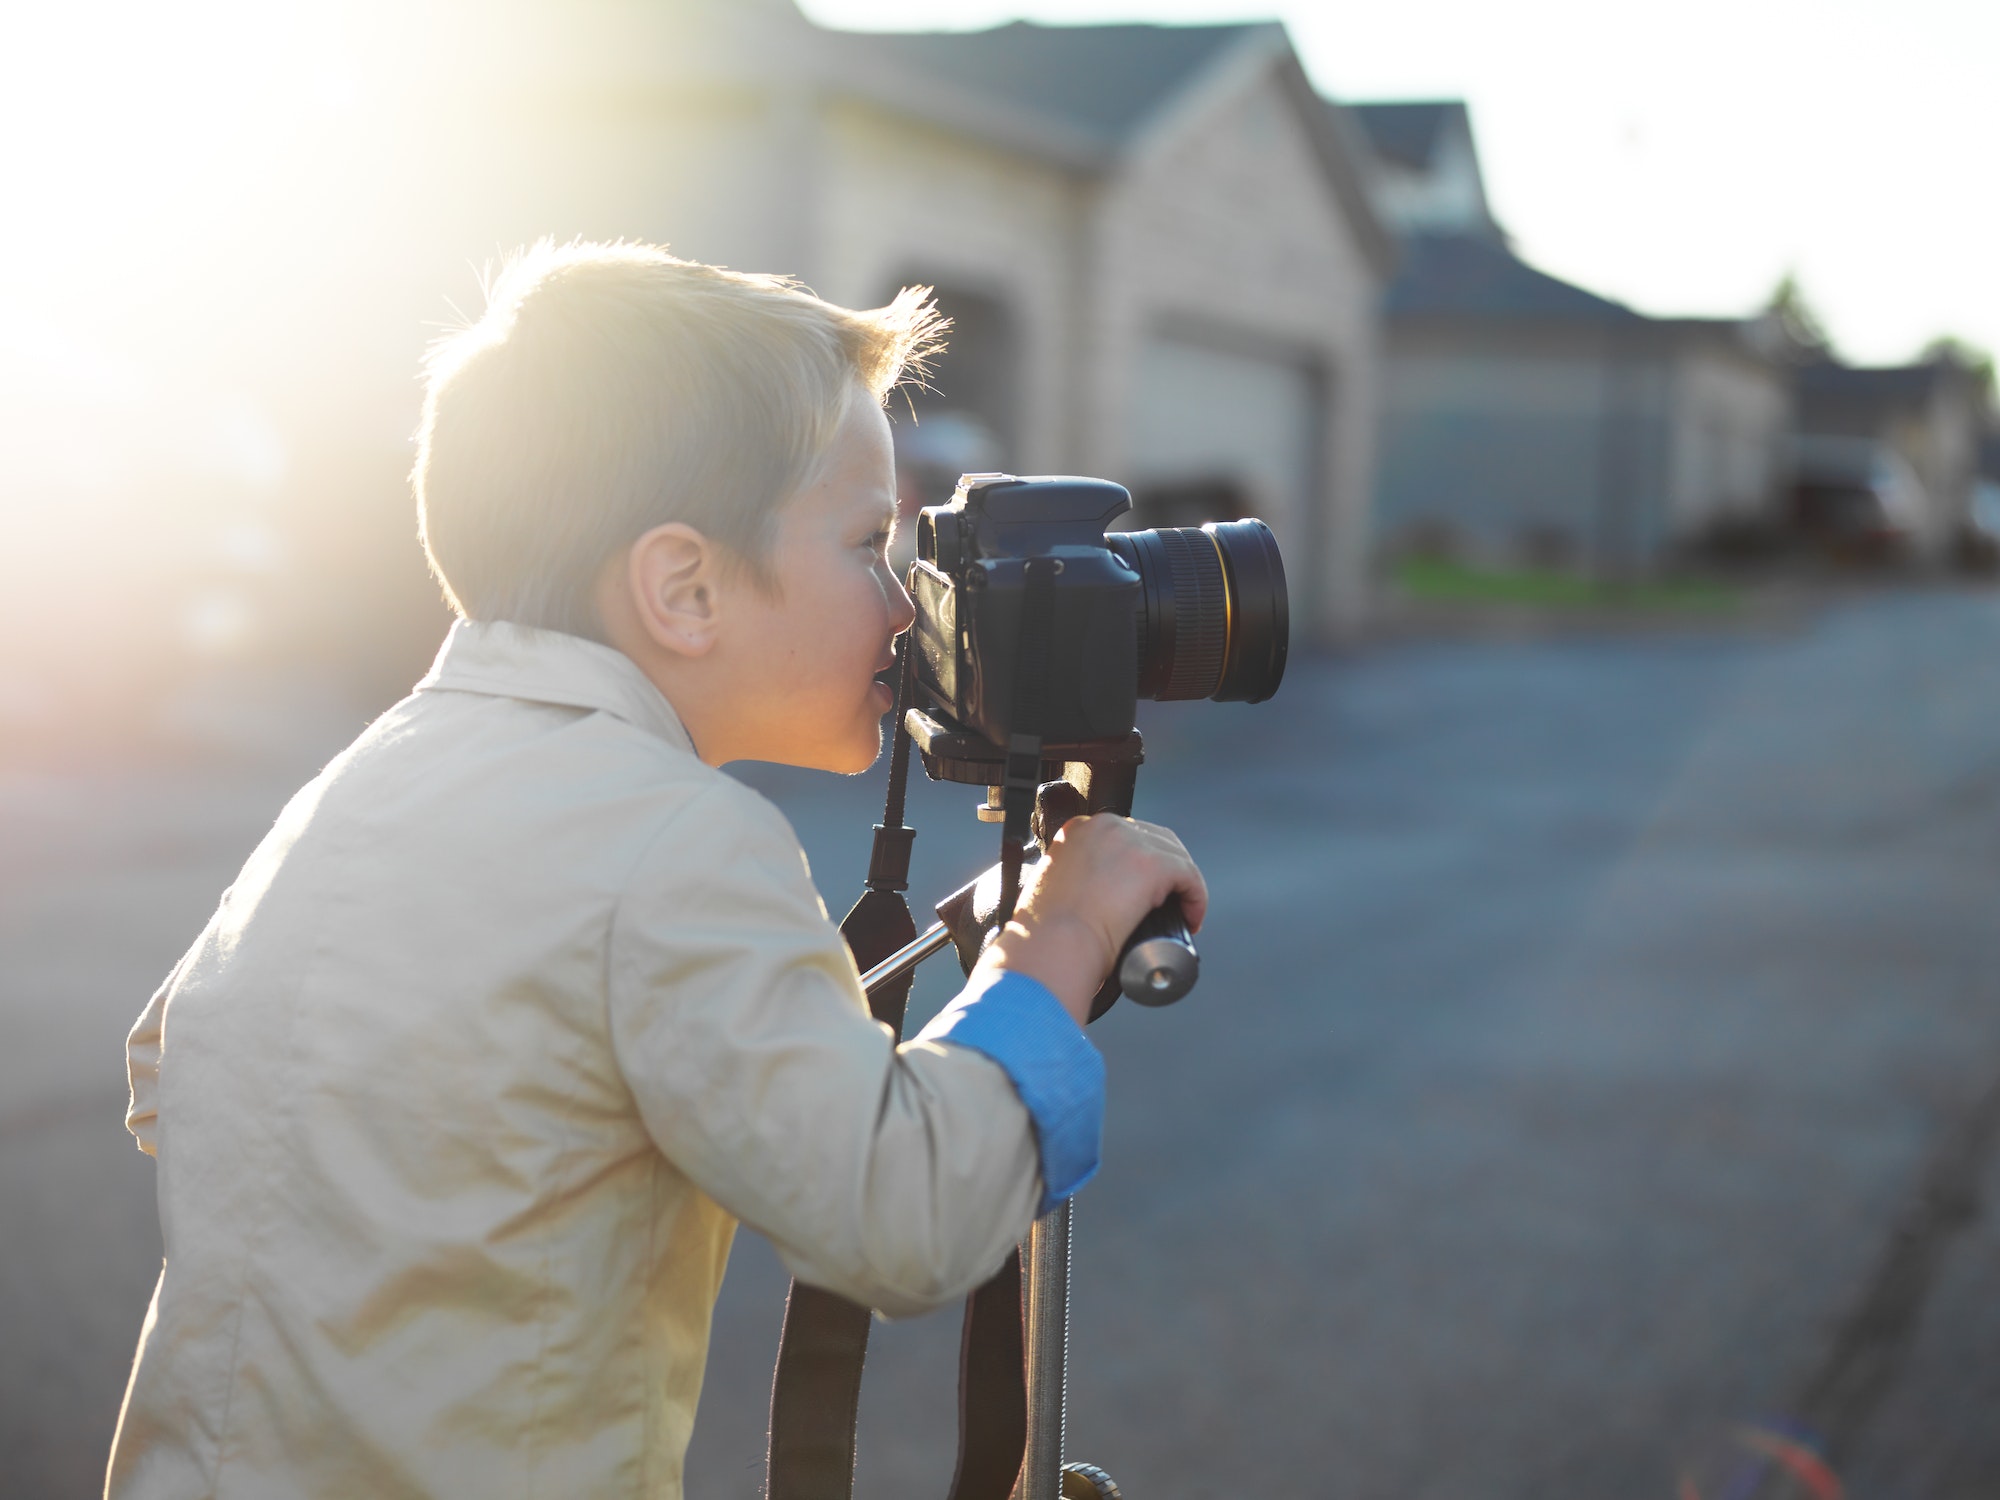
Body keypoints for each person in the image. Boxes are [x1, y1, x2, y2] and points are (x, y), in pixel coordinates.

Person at [105, 240, 1206, 1499]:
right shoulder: (681, 846)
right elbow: (905, 1220)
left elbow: (170, 1071)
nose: (906, 609)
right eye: (866, 545)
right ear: (683, 588)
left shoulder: (360, 784)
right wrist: (1047, 945)